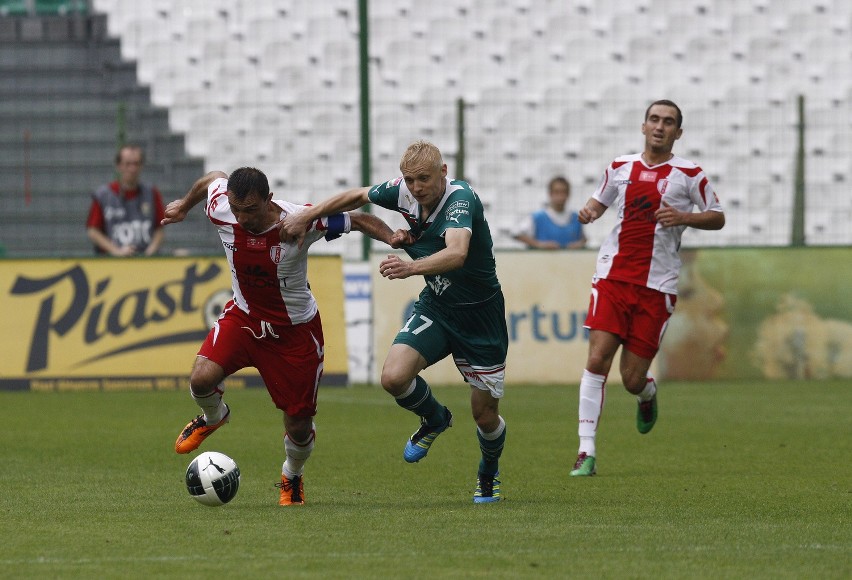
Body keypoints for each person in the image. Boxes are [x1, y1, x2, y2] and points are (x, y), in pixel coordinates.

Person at [280, 140, 509, 504]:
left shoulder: (461, 199)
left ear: (443, 172)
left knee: (484, 416)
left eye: (424, 179)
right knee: (393, 377)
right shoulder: (404, 192)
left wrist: (410, 266)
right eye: (410, 179)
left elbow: (458, 252)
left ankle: (488, 471)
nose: (417, 187)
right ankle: (435, 419)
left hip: (480, 315)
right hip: (437, 306)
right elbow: (356, 195)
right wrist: (306, 216)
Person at [161, 167, 402, 506]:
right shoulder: (221, 207)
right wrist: (186, 205)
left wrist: (392, 237)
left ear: (269, 200)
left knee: (299, 425)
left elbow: (359, 220)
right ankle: (214, 417)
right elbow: (213, 177)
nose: (242, 217)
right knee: (201, 379)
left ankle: (292, 474)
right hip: (244, 319)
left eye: (251, 209)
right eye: (237, 208)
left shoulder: (300, 221)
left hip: (294, 334)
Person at [569, 100, 725, 477]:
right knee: (596, 360)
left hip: (658, 285)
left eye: (668, 122)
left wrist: (685, 216)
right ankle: (585, 450)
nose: (660, 126)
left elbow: (717, 216)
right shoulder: (619, 167)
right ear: (643, 126)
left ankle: (647, 393)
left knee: (632, 378)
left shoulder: (690, 175)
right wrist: (589, 212)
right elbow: (598, 201)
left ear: (678, 133)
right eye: (654, 119)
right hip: (613, 277)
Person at [86, 144, 165, 256]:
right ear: (118, 166)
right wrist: (115, 251)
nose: (132, 169)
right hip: (112, 262)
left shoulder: (152, 193)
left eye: (136, 164)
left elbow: (160, 229)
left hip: (145, 260)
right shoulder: (104, 195)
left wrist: (150, 252)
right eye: (128, 164)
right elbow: (93, 231)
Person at [514, 176, 586, 249]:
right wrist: (539, 244)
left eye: (564, 192)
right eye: (556, 192)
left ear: (568, 194)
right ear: (550, 193)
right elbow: (516, 233)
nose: (560, 196)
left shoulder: (576, 218)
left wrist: (579, 244)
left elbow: (584, 239)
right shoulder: (538, 217)